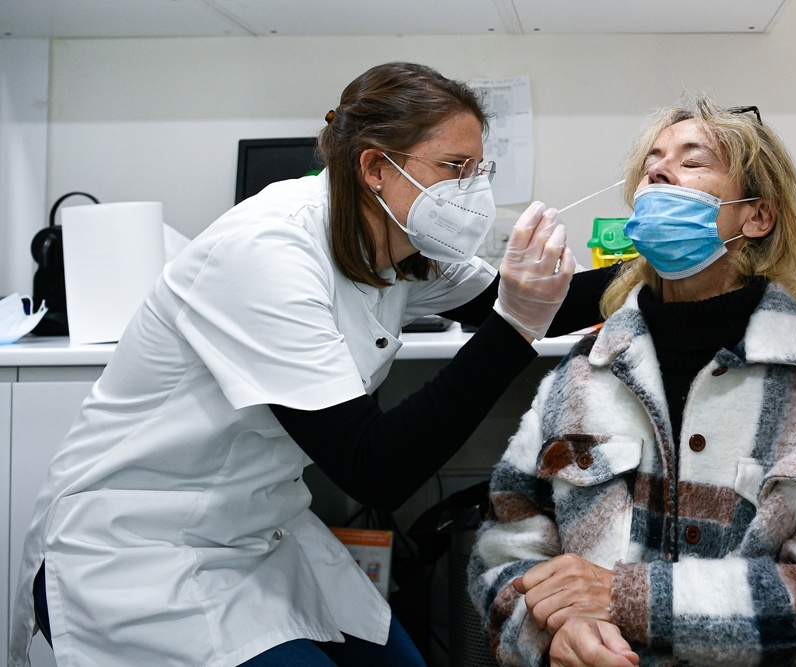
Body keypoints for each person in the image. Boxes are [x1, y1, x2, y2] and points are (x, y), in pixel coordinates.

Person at [9, 62, 622, 667]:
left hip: (261, 531)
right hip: (143, 550)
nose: (472, 190)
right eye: (453, 169)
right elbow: (376, 470)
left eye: (477, 168)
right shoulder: (268, 252)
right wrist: (514, 329)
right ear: (377, 167)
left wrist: (664, 266)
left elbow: (534, 300)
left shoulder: (400, 238)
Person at [468, 97, 796, 667]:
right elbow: (502, 549)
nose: (658, 171)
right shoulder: (582, 372)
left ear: (756, 216)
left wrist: (625, 600)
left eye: (692, 160)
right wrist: (548, 637)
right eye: (652, 162)